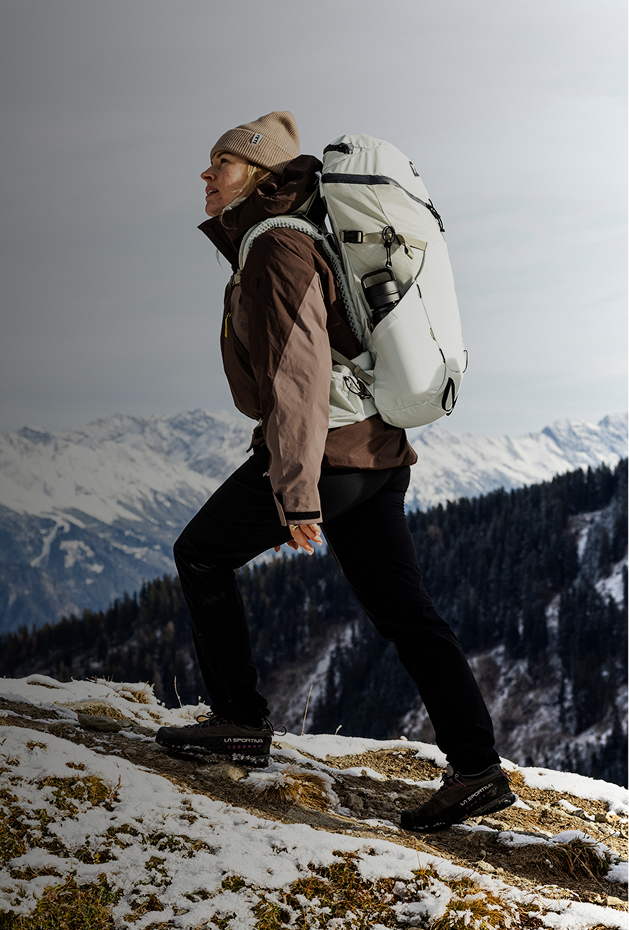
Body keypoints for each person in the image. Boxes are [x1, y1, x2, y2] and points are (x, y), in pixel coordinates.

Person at [156, 111, 515, 831]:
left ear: (259, 174)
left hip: (328, 454)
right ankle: (477, 770)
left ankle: (238, 720)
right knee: (406, 612)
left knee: (200, 554)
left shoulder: (275, 243)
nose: (206, 175)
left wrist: (295, 491)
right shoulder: (304, 230)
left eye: (222, 163)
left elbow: (298, 373)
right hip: (375, 452)